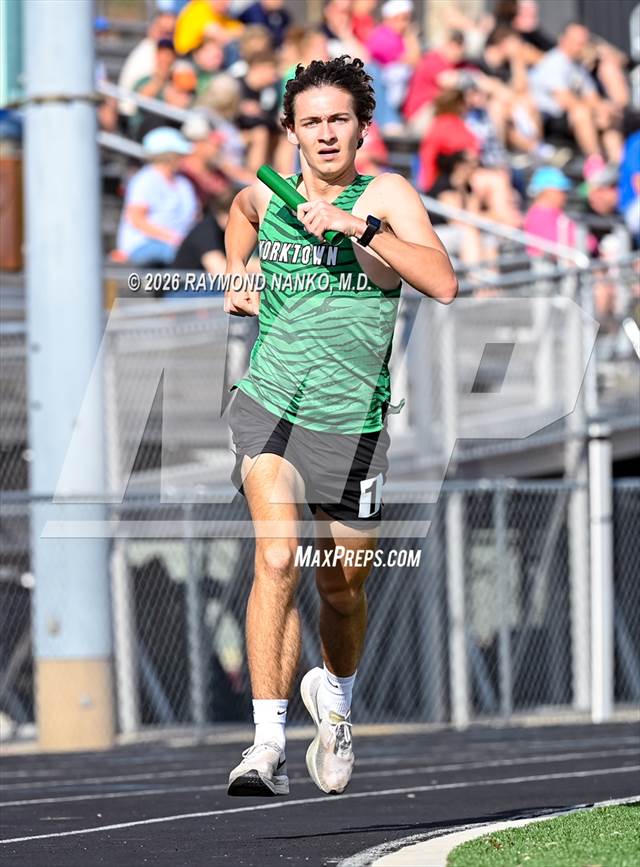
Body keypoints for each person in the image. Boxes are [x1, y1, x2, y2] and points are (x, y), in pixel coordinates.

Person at [222, 55, 457, 797]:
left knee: (344, 589)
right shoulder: (271, 191)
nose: (325, 134)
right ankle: (265, 743)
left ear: (361, 128)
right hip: (271, 407)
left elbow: (443, 282)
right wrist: (239, 273)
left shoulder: (384, 191)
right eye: (311, 121)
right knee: (276, 558)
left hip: (353, 425)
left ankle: (338, 701)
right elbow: (239, 214)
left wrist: (360, 226)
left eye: (339, 120)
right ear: (288, 128)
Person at [528, 22, 623, 163]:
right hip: (549, 120)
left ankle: (618, 165)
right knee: (581, 112)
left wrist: (604, 109)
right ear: (564, 40)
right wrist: (596, 109)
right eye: (579, 42)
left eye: (584, 41)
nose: (583, 46)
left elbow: (592, 97)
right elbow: (565, 100)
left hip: (569, 116)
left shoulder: (578, 67)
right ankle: (595, 163)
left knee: (607, 118)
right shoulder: (553, 62)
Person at [116, 127, 199, 265]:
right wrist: (173, 239)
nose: (184, 159)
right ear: (168, 156)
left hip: (180, 244)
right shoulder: (145, 180)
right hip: (144, 244)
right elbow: (136, 219)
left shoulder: (184, 183)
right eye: (179, 155)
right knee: (186, 256)